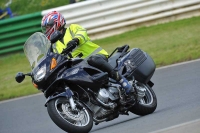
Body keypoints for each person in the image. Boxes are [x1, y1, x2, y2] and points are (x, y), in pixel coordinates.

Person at [41, 11, 134, 99]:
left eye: (48, 27)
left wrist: (75, 40)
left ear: (57, 23)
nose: (47, 30)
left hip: (96, 56)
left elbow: (82, 33)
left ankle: (121, 79)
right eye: (46, 28)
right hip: (80, 65)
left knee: (93, 59)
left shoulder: (72, 29)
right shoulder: (55, 45)